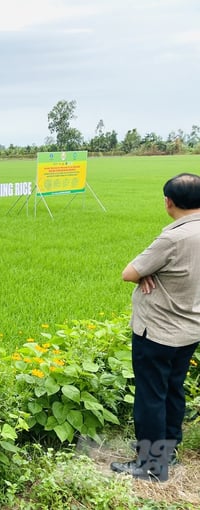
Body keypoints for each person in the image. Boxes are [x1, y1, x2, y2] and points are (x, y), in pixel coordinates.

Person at [111, 173, 200, 482]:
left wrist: (146, 273)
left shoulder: (173, 237)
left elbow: (128, 272)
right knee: (174, 389)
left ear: (168, 202)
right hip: (191, 329)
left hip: (159, 331)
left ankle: (151, 465)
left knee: (151, 395)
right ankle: (169, 452)